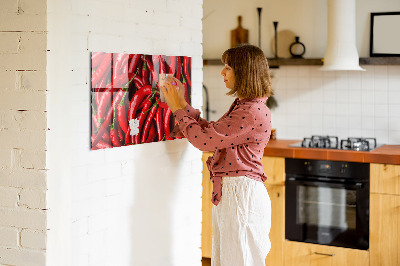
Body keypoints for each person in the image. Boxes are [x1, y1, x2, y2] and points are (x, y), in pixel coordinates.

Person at [161, 44, 273, 266]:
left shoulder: (250, 111)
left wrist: (176, 108)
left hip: (241, 195)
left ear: (244, 72)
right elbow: (212, 133)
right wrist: (182, 103)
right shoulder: (246, 106)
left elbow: (204, 141)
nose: (222, 72)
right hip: (236, 193)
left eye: (228, 67)